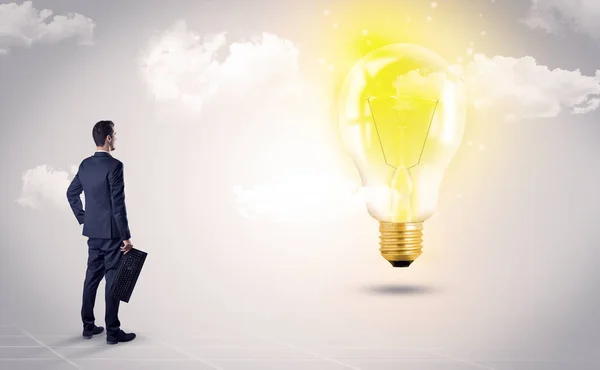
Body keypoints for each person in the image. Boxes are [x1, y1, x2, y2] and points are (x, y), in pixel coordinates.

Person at [66, 120, 136, 345]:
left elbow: (72, 193)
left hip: (93, 233)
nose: (115, 137)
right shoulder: (115, 166)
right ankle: (113, 331)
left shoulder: (85, 165)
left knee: (91, 278)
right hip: (113, 235)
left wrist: (84, 218)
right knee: (113, 280)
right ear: (108, 138)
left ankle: (87, 327)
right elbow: (118, 204)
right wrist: (126, 235)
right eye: (114, 134)